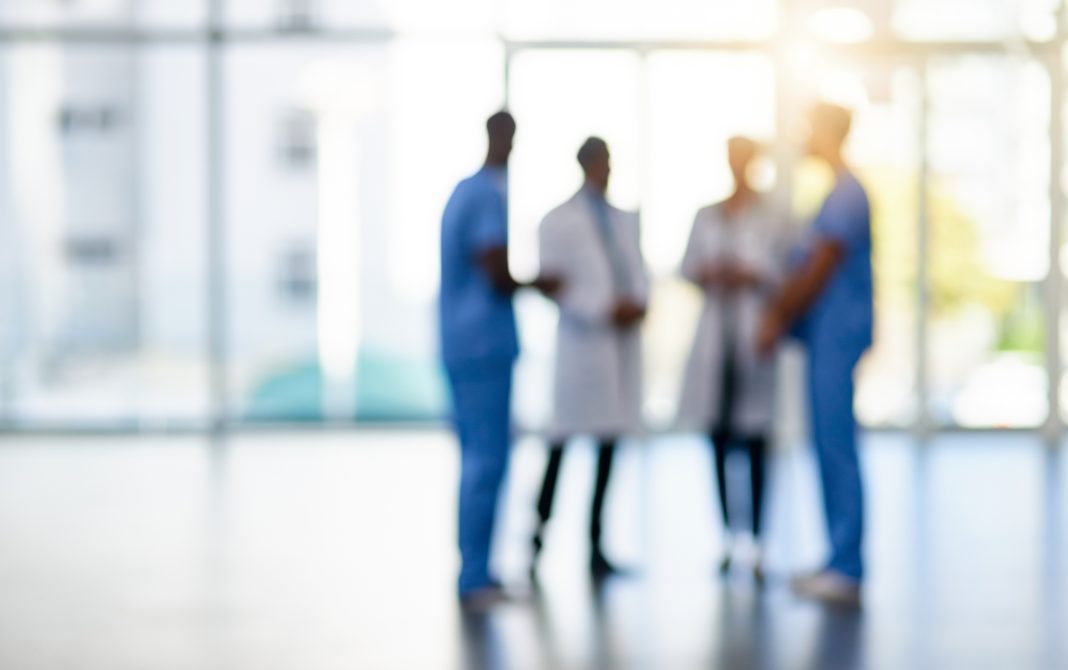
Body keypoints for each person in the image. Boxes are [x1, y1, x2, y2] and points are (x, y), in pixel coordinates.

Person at [440, 111, 559, 609]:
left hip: (463, 343)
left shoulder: (464, 192)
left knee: (477, 457)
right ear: (503, 138)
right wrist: (541, 283)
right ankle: (475, 577)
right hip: (483, 346)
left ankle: (476, 569)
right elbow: (495, 269)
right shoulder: (487, 194)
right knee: (487, 460)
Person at [757, 102, 873, 606]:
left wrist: (776, 317)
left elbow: (818, 269)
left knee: (836, 447)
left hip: (836, 336)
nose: (801, 134)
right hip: (826, 337)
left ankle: (847, 565)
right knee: (826, 445)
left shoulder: (846, 195)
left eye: (807, 125)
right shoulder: (833, 194)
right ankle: (836, 558)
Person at [531, 137, 648, 579]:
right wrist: (603, 307)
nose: (607, 170)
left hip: (616, 348)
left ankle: (596, 546)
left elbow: (636, 271)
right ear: (586, 165)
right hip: (583, 348)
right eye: (601, 163)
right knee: (560, 446)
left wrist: (637, 303)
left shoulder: (621, 220)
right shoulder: (557, 221)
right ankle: (536, 541)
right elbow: (554, 285)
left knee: (607, 448)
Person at [677, 137, 787, 582]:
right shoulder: (708, 215)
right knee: (718, 442)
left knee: (757, 443)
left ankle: (758, 542)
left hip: (752, 336)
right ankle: (728, 537)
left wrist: (752, 274)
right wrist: (711, 272)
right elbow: (687, 267)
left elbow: (784, 270)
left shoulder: (774, 217)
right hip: (715, 339)